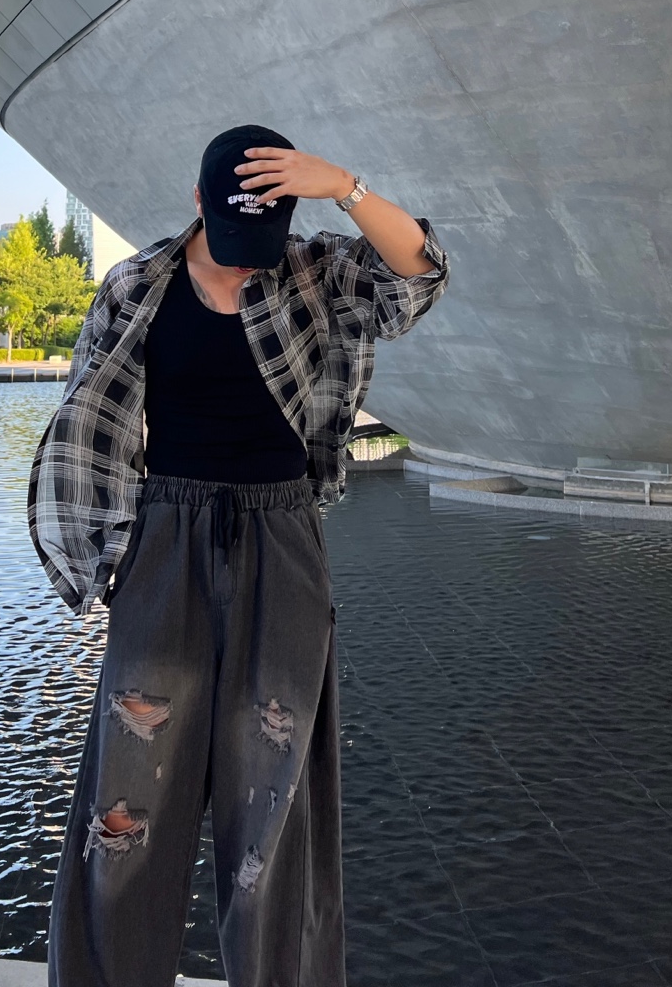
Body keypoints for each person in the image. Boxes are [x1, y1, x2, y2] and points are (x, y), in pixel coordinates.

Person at [28, 125, 451, 987]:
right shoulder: (137, 285)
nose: (244, 255)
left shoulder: (314, 271)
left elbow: (418, 276)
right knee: (127, 795)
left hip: (281, 535)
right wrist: (100, 550)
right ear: (197, 202)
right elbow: (86, 416)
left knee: (275, 794)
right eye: (229, 232)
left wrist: (345, 186)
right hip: (165, 538)